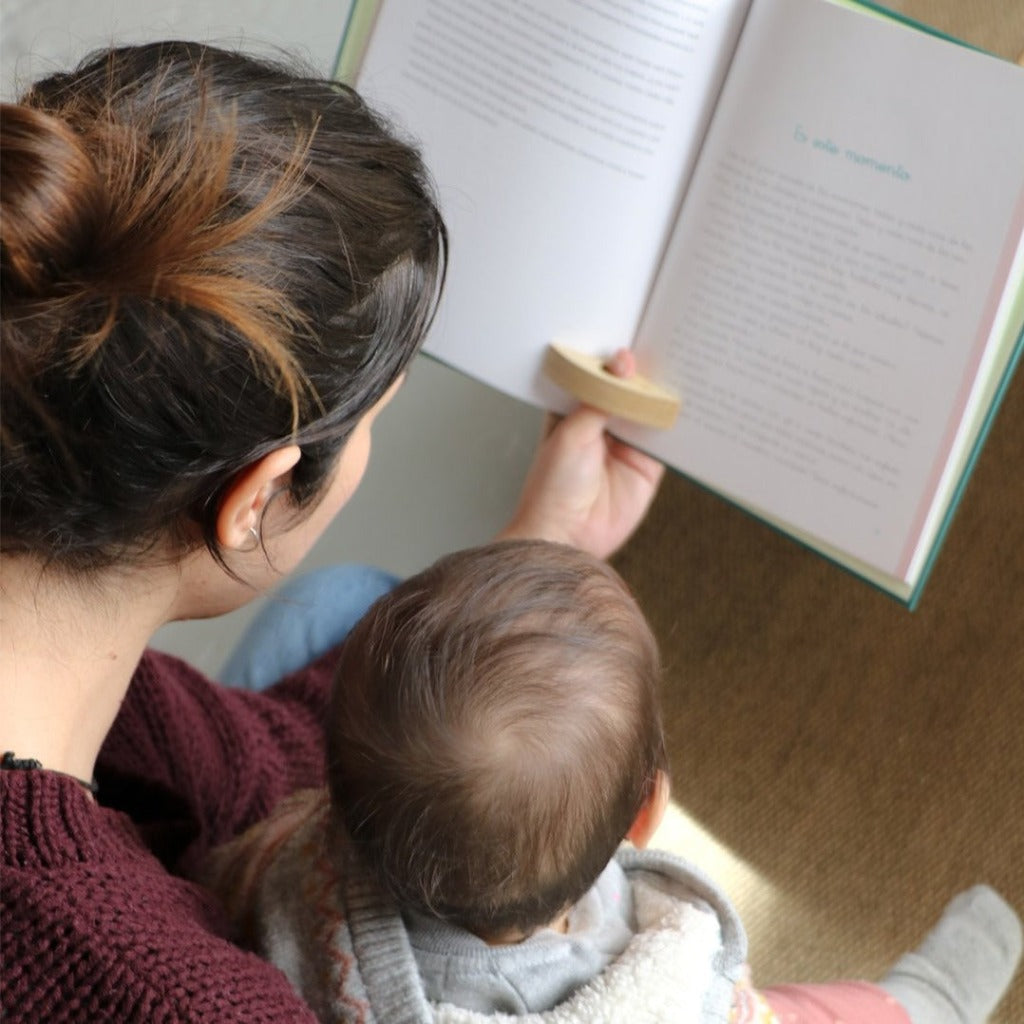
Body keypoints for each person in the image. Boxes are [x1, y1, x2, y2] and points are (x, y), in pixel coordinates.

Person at [0, 42, 663, 1024]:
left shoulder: (100, 691)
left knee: (352, 600)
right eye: (372, 425)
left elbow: (273, 767)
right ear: (256, 495)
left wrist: (544, 544)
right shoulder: (169, 993)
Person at [202, 539, 1022, 1024]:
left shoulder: (293, 865)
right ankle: (929, 999)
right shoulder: (656, 986)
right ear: (647, 813)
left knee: (327, 598)